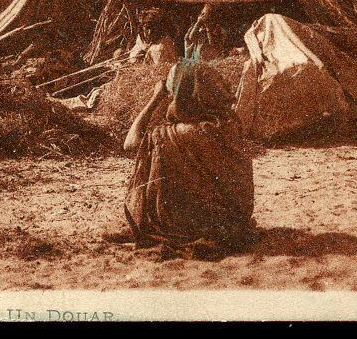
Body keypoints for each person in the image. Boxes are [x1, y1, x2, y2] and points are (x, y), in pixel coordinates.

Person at [107, 60, 254, 257]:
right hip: (234, 219)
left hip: (202, 223)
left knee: (153, 152)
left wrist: (155, 97)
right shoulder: (226, 124)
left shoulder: (183, 133)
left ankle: (151, 224)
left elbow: (130, 142)